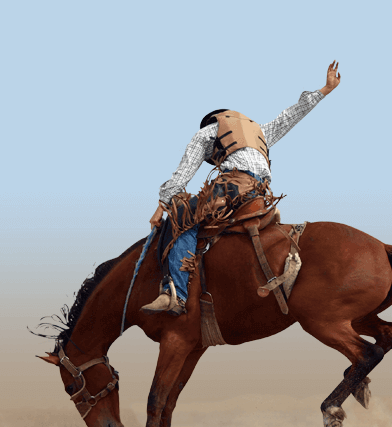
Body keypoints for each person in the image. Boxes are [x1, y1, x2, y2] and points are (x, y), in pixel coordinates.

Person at [142, 61, 342, 315]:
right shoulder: (259, 131)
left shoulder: (206, 133)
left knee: (182, 213)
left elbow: (182, 174)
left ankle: (175, 294)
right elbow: (290, 116)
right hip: (262, 192)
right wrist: (325, 89)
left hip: (233, 188)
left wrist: (162, 207)